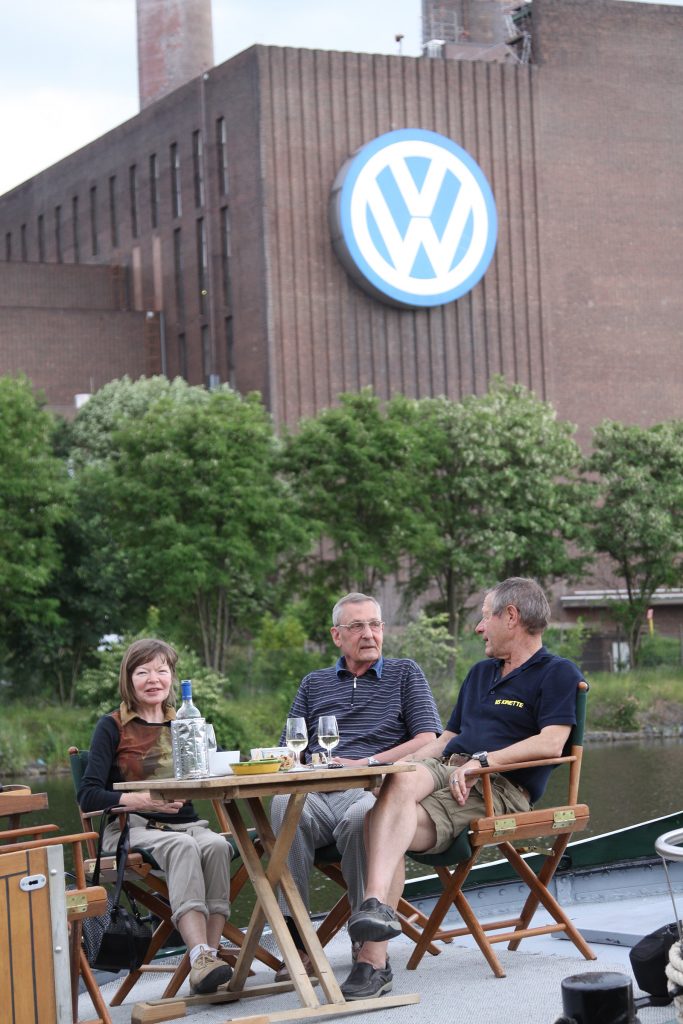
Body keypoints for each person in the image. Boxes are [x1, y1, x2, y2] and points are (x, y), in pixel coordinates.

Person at [343, 577, 585, 1000]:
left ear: (510, 616)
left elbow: (551, 742)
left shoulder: (557, 672)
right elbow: (446, 737)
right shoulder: (480, 673)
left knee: (379, 823)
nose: (478, 627)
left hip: (499, 785)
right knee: (395, 787)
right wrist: (395, 765)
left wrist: (482, 763)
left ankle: (372, 961)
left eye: (485, 615)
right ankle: (377, 907)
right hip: (449, 767)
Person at [269, 592, 442, 982]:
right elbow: (289, 748)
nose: (369, 634)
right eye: (357, 626)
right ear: (336, 636)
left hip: (371, 789)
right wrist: (301, 763)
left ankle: (365, 942)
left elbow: (426, 738)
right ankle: (298, 947)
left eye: (375, 624)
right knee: (281, 805)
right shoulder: (314, 683)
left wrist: (367, 763)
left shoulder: (404, 673)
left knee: (365, 817)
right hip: (314, 791)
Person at [78, 638, 233, 995]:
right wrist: (143, 800)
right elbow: (87, 795)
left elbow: (215, 772)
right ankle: (201, 956)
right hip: (132, 829)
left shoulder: (185, 723)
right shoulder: (112, 726)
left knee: (217, 847)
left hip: (189, 825)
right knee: (183, 848)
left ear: (172, 677)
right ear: (128, 678)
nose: (154, 678)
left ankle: (208, 959)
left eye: (162, 670)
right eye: (143, 671)